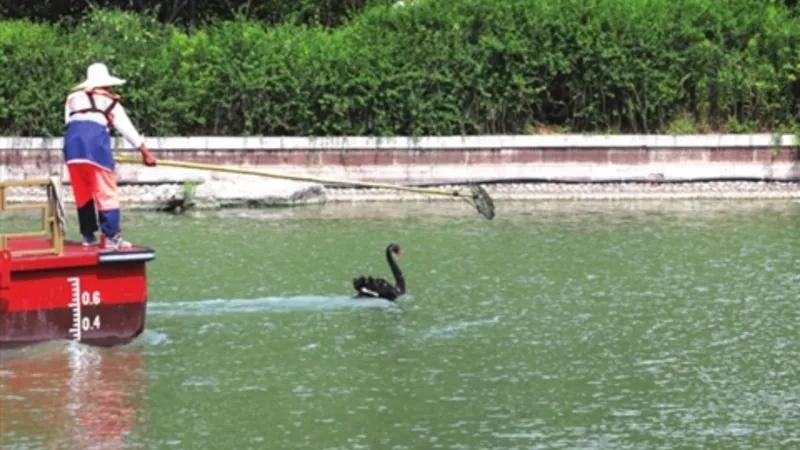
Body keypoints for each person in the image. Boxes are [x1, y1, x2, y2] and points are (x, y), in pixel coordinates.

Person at [63, 63, 156, 249]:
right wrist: (145, 153)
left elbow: (69, 122)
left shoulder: (72, 98)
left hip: (72, 150)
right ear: (105, 83)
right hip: (95, 148)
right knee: (105, 192)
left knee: (83, 193)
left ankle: (88, 236)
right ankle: (112, 237)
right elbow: (126, 128)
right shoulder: (109, 101)